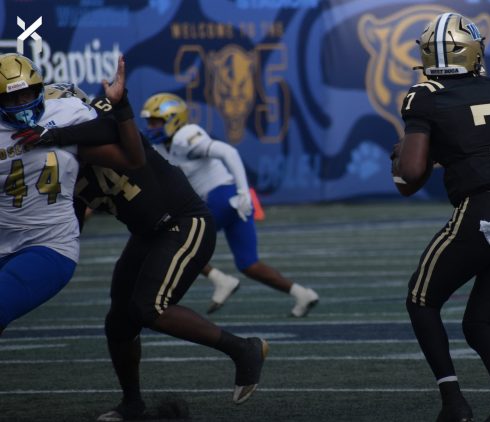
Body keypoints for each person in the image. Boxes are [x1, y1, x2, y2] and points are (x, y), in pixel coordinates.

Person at [17, 63, 269, 420]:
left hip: (184, 221)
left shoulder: (90, 123)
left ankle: (244, 349)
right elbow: (67, 214)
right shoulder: (56, 155)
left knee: (150, 308)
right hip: (147, 233)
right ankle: (132, 403)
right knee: (119, 320)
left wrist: (56, 134)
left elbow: (110, 130)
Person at [391, 13, 490, 422]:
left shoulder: (424, 96)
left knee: (420, 301)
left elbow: (410, 175)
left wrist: (405, 154)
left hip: (483, 212)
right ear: (473, 51)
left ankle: (453, 403)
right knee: (480, 322)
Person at [0, 53, 142, 335]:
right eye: (10, 99)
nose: (20, 105)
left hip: (49, 244)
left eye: (26, 95)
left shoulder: (67, 112)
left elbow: (113, 134)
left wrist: (56, 135)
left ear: (40, 91)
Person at [140, 93, 319, 317]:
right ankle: (302, 293)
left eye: (155, 121)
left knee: (177, 240)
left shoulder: (185, 137)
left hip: (223, 197)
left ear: (173, 119)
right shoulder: (162, 147)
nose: (150, 126)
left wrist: (245, 191)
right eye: (149, 121)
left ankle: (220, 279)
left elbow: (229, 152)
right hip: (231, 200)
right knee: (249, 264)